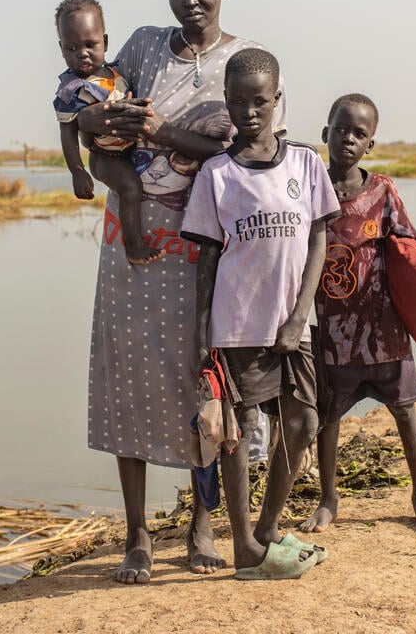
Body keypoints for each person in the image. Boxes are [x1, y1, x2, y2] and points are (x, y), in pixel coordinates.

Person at [78, 0, 287, 584]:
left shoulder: (244, 66)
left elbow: (250, 155)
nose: (191, 1)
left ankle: (203, 523)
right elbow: (94, 99)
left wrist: (159, 132)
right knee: (126, 379)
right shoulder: (142, 46)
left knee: (204, 386)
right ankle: (138, 535)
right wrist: (96, 125)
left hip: (203, 250)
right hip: (131, 241)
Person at [183, 48, 339, 580]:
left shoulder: (305, 164)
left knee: (303, 422)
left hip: (294, 324)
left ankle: (269, 525)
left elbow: (317, 240)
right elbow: (207, 258)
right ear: (226, 101)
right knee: (238, 430)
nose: (249, 112)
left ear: (277, 100)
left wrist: (299, 316)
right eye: (238, 101)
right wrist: (204, 334)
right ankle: (245, 542)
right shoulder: (217, 174)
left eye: (260, 101)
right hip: (238, 322)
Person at [297, 94, 416, 535]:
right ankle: (328, 500)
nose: (348, 139)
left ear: (370, 145)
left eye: (359, 134)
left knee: (405, 411)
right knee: (328, 418)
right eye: (341, 130)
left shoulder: (382, 190)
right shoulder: (310, 189)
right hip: (334, 334)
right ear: (326, 134)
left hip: (384, 333)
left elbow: (408, 247)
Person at [53, 0, 161, 264]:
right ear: (62, 49)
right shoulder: (70, 90)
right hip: (105, 157)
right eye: (73, 48)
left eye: (91, 44)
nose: (83, 53)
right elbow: (68, 133)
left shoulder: (116, 73)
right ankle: (134, 247)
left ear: (106, 43)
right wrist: (77, 171)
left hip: (129, 149)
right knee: (130, 188)